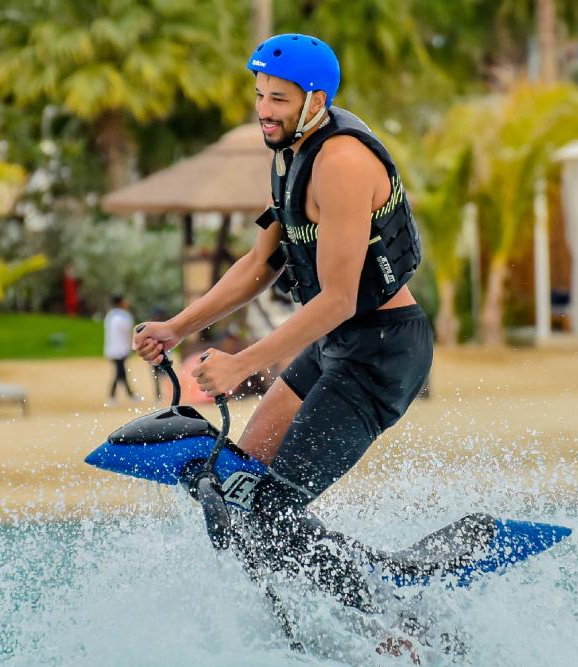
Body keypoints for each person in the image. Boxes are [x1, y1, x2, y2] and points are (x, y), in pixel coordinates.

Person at [133, 35, 433, 612]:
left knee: (270, 511)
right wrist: (177, 326)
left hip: (384, 351)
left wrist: (243, 363)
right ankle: (287, 629)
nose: (265, 110)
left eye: (278, 98)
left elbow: (341, 298)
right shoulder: (291, 153)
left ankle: (393, 629)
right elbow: (258, 266)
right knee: (240, 494)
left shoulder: (342, 163)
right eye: (259, 96)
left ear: (315, 99)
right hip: (339, 344)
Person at [104, 295, 136, 404]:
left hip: (112, 349)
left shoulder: (110, 316)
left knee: (121, 372)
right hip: (120, 350)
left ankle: (129, 394)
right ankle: (114, 396)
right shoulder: (124, 316)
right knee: (120, 373)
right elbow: (129, 332)